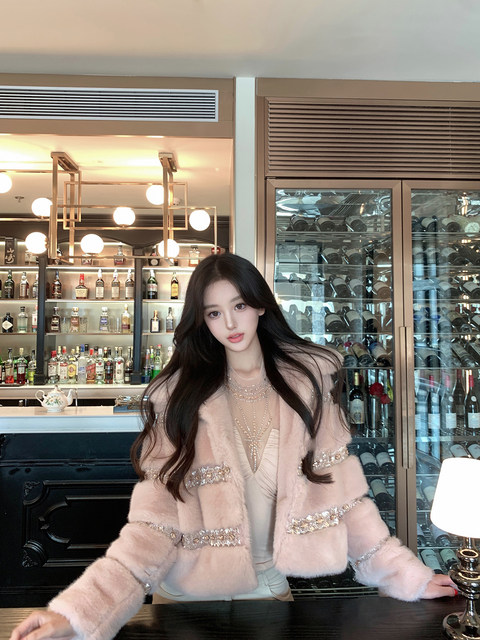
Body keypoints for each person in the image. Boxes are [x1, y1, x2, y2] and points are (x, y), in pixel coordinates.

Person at [10, 253, 455, 640]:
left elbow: (346, 500)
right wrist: (79, 613)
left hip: (270, 595)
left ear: (260, 304)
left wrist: (406, 576)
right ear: (202, 320)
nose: (229, 323)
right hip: (182, 602)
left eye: (239, 305)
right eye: (213, 313)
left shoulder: (308, 387)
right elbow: (152, 525)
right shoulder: (179, 398)